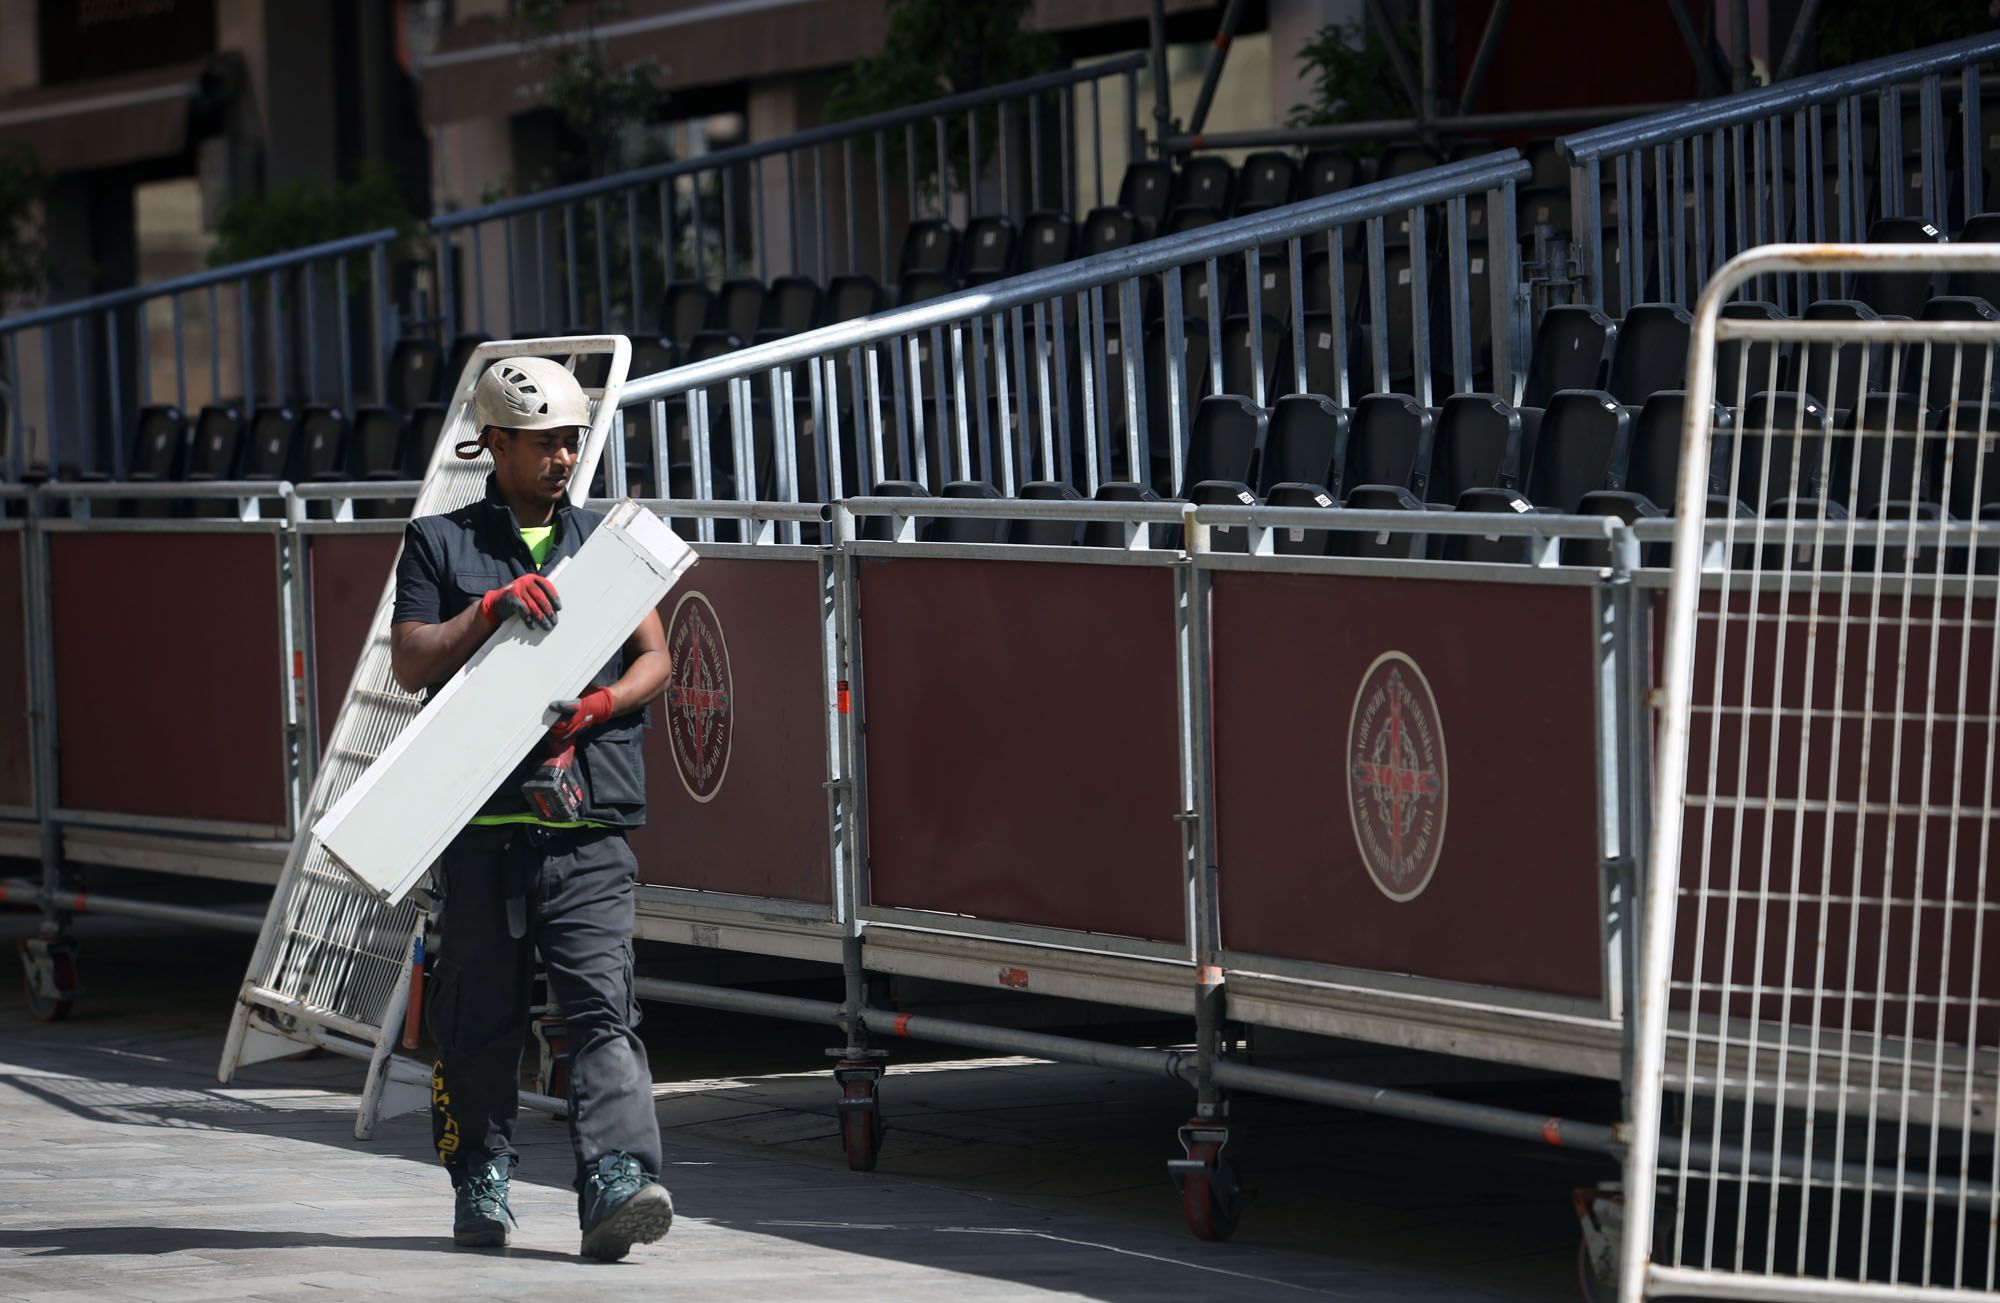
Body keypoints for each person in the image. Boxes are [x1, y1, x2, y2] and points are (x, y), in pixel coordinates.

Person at [388, 355, 675, 1261]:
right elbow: (412, 660)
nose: (562, 458)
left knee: (601, 1007)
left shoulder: (607, 541)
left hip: (587, 827)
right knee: (477, 1018)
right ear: (496, 444)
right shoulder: (440, 542)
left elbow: (655, 659)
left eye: (571, 442)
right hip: (479, 827)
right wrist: (491, 609)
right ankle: (482, 1175)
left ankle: (617, 1181)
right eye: (545, 442)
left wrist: (602, 706)